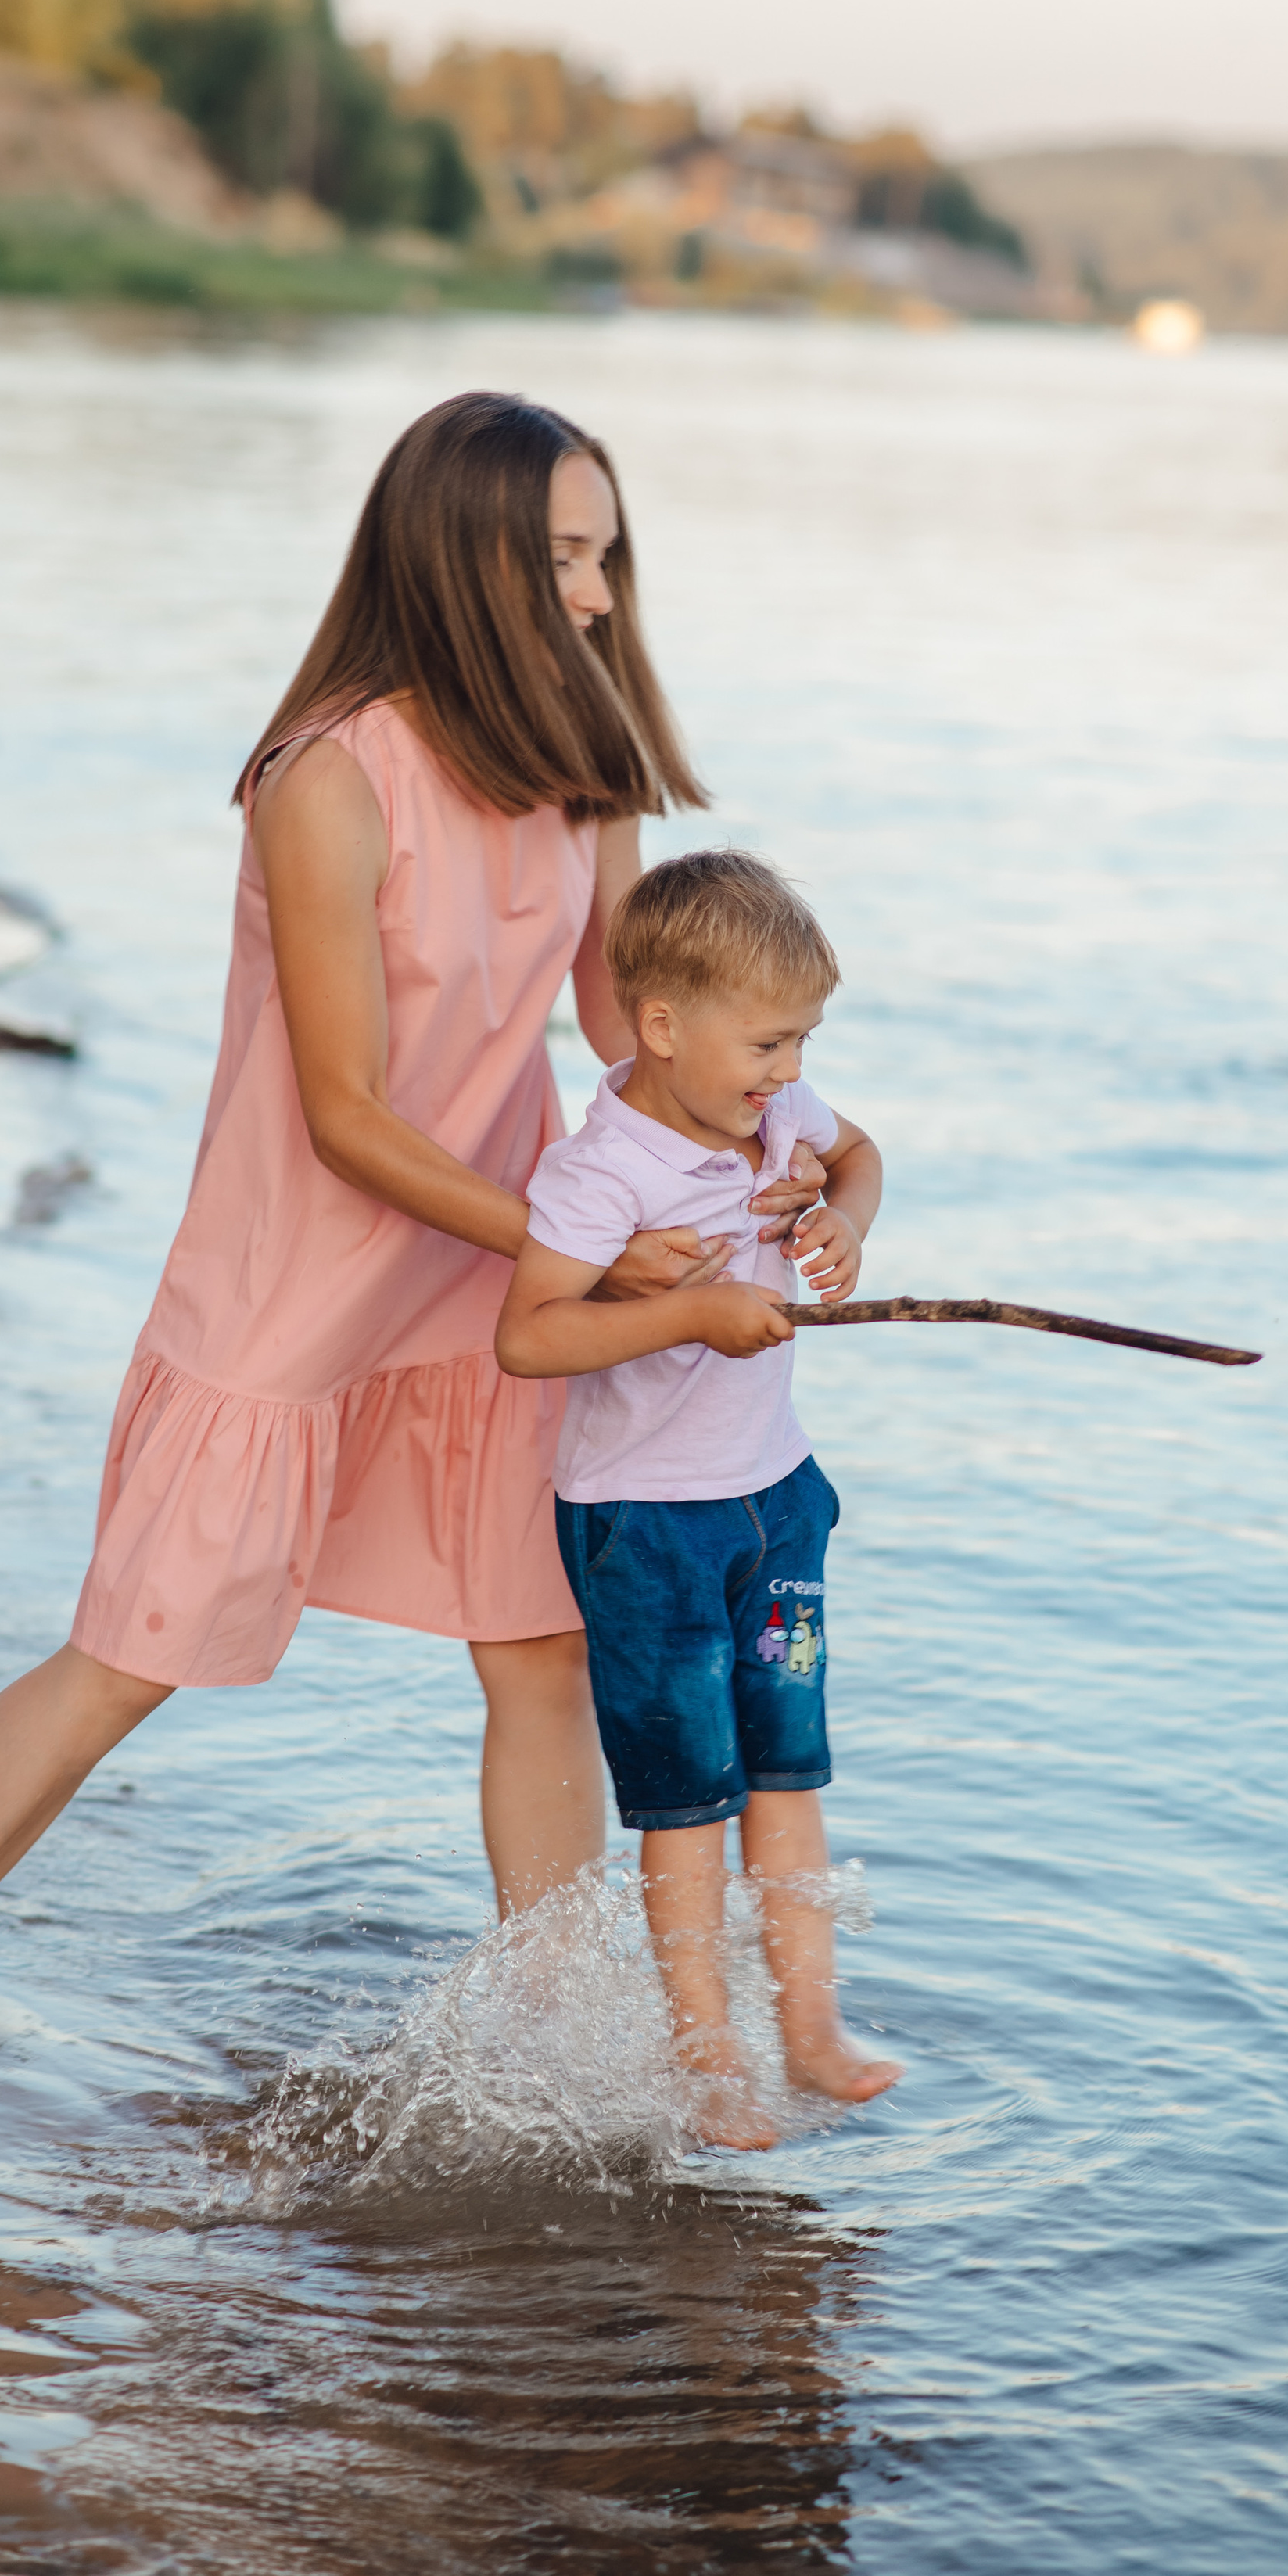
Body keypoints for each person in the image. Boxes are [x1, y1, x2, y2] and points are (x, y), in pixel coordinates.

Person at [0, 393, 826, 2076]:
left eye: (605, 557)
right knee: (126, 1660)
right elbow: (346, 1114)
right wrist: (560, 1243)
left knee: (541, 1653)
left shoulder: (583, 777)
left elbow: (626, 1031)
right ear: (465, 560)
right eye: (564, 558)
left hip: (491, 1288)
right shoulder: (326, 776)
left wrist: (777, 1145)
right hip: (293, 1283)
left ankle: (556, 2057)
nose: (595, 597)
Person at [495, 849, 902, 2148]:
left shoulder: (778, 1118)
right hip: (648, 1526)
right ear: (663, 1027)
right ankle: (708, 2052)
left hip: (774, 1499)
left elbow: (862, 1153)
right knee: (691, 1801)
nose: (789, 1072)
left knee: (788, 1770)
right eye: (770, 1042)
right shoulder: (600, 1170)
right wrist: (682, 1310)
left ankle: (811, 2026)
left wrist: (847, 1221)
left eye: (804, 1043)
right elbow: (528, 1335)